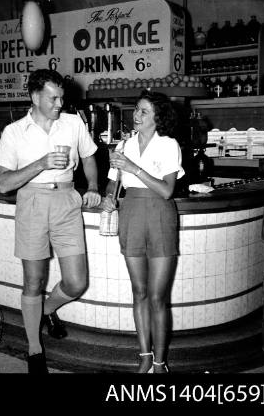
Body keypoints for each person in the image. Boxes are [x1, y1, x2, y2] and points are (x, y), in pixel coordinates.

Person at [0, 69, 101, 374]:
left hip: (67, 201)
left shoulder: (73, 123)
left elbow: (90, 156)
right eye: (53, 97)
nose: (59, 103)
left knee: (77, 282)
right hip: (32, 203)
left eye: (62, 97)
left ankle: (46, 311)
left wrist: (92, 186)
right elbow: (4, 183)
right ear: (35, 96)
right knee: (34, 281)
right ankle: (34, 348)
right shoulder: (14, 132)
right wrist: (41, 163)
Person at [102, 90, 184, 373]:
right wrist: (108, 197)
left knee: (158, 297)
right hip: (131, 215)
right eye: (136, 109)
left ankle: (160, 363)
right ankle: (145, 355)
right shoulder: (124, 146)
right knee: (138, 292)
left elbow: (166, 190)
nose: (136, 115)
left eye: (144, 111)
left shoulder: (168, 145)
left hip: (160, 215)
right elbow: (113, 184)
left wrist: (134, 168)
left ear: (157, 118)